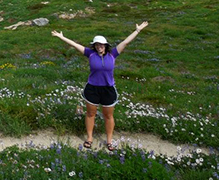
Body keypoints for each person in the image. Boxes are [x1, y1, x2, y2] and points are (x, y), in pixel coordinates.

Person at [51, 22, 148, 151]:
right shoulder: (90, 54)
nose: (98, 47)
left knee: (108, 116)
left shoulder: (112, 54)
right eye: (96, 45)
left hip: (108, 89)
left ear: (105, 45)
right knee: (91, 114)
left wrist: (137, 31)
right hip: (92, 88)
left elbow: (125, 42)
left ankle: (109, 141)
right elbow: (75, 45)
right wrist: (61, 37)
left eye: (101, 45)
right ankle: (89, 138)